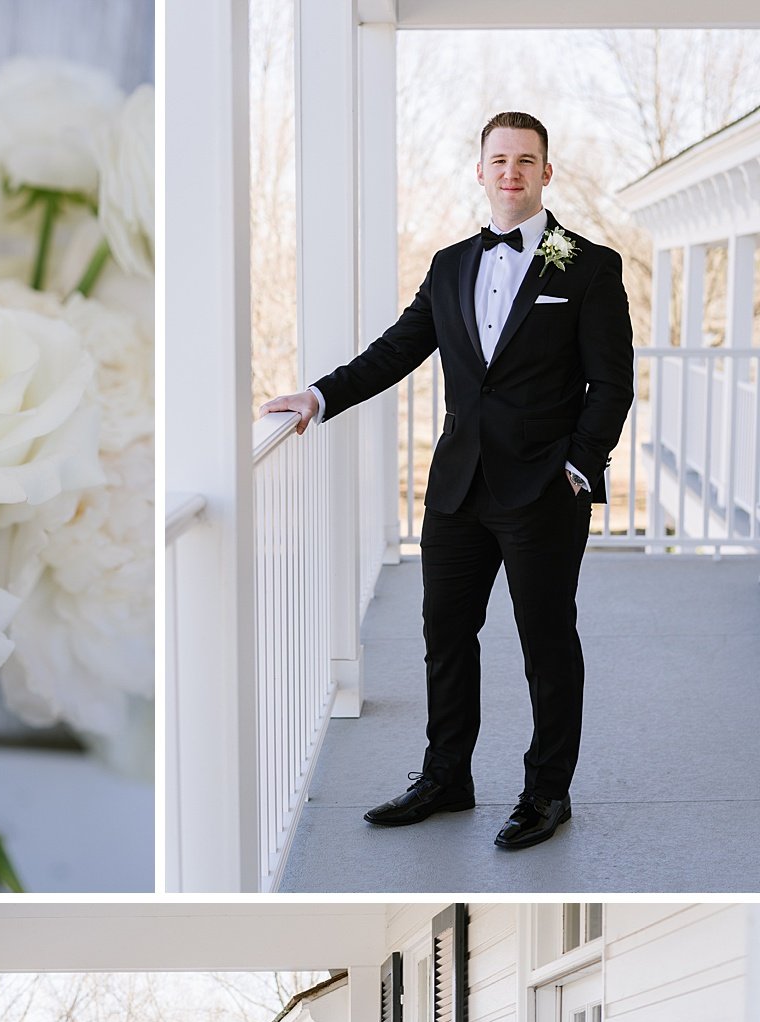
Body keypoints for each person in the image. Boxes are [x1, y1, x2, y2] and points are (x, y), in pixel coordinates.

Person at [262, 111, 634, 851]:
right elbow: (397, 348)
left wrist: (577, 468)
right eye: (499, 160)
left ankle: (545, 791)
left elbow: (612, 382)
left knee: (546, 643)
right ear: (480, 170)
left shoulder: (588, 265)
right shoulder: (449, 263)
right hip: (458, 488)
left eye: (526, 160)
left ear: (546, 173)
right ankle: (445, 777)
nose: (511, 173)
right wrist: (319, 396)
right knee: (446, 635)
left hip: (543, 493)